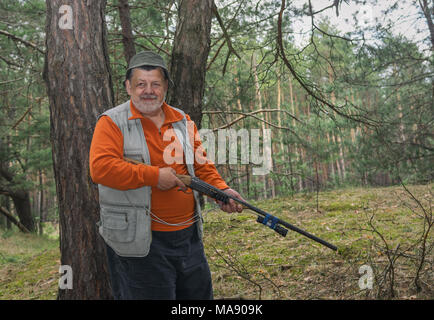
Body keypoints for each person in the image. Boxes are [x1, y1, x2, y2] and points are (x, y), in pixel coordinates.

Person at [89, 51, 244, 300]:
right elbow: (101, 168)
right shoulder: (112, 122)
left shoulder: (182, 120)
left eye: (155, 84)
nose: (147, 90)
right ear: (128, 86)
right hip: (140, 243)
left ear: (165, 88)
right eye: (141, 84)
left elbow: (201, 166)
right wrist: (153, 177)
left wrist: (220, 190)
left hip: (189, 238)